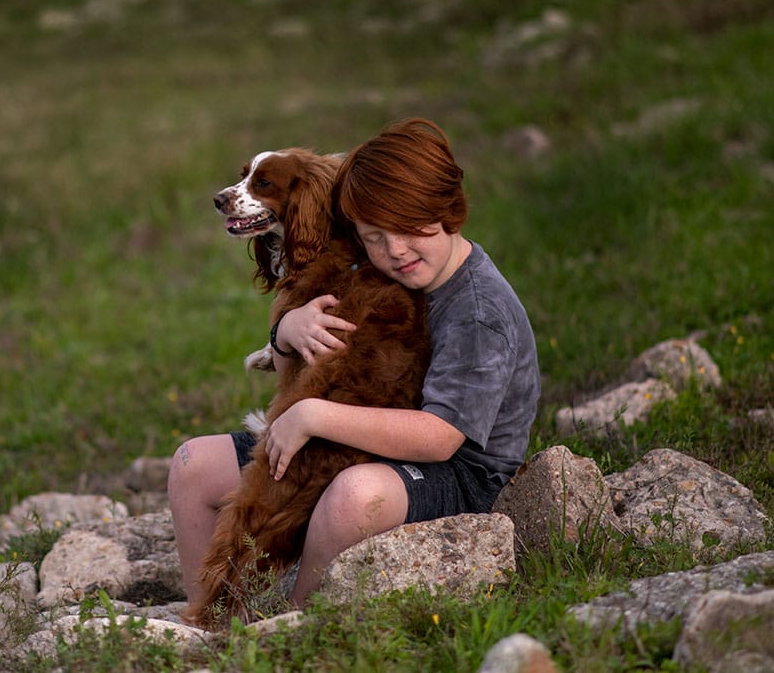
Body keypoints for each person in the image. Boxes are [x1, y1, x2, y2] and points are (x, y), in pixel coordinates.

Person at [169, 117, 540, 611]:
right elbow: (291, 388)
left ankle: (294, 627)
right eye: (374, 236)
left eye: (412, 229)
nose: (396, 251)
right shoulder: (367, 277)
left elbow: (441, 436)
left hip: (459, 475)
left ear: (450, 211)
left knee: (352, 496)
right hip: (356, 438)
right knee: (193, 465)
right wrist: (286, 333)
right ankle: (209, 620)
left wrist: (314, 417)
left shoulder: (479, 310)